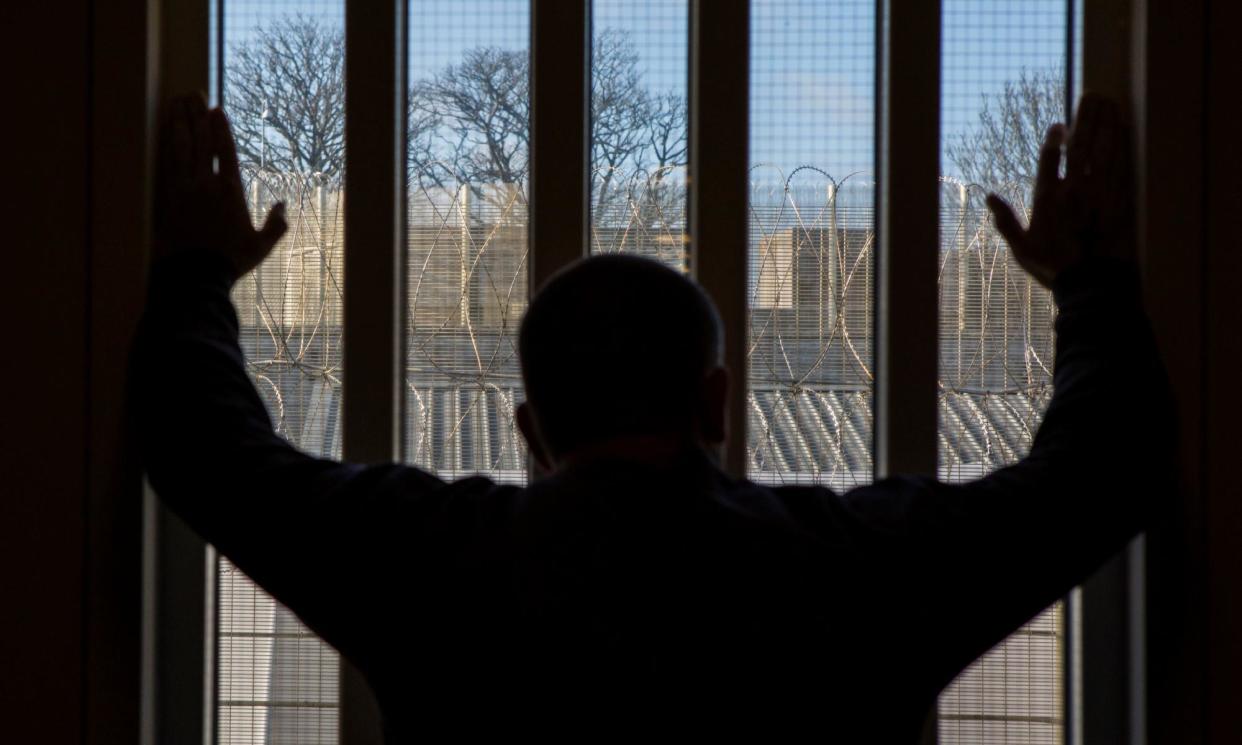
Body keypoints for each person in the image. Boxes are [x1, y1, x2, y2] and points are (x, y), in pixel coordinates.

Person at [134, 93, 1173, 741]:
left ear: (526, 427)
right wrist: (1088, 283)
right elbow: (1101, 471)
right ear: (716, 400)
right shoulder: (856, 567)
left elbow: (208, 449)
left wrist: (193, 274)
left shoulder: (434, 562)